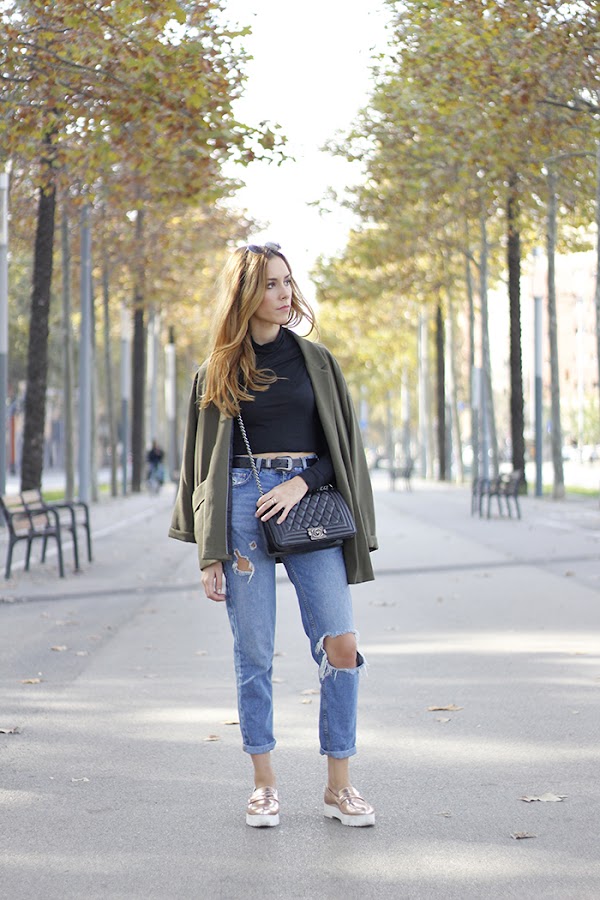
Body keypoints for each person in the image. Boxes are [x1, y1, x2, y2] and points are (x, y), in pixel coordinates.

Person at [169, 242, 378, 828]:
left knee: (341, 643)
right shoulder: (216, 371)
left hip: (306, 504)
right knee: (254, 650)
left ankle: (339, 785)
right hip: (241, 507)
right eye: (270, 284)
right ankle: (264, 785)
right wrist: (209, 552)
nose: (284, 294)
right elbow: (199, 466)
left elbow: (344, 450)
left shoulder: (317, 362)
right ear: (245, 294)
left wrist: (300, 483)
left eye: (287, 282)